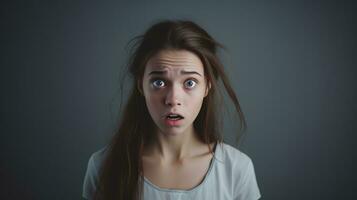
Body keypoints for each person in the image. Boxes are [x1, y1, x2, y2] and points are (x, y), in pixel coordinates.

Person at [82, 19, 261, 200]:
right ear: (140, 85)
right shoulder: (103, 165)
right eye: (159, 82)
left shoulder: (236, 168)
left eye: (190, 83)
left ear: (207, 86)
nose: (173, 99)